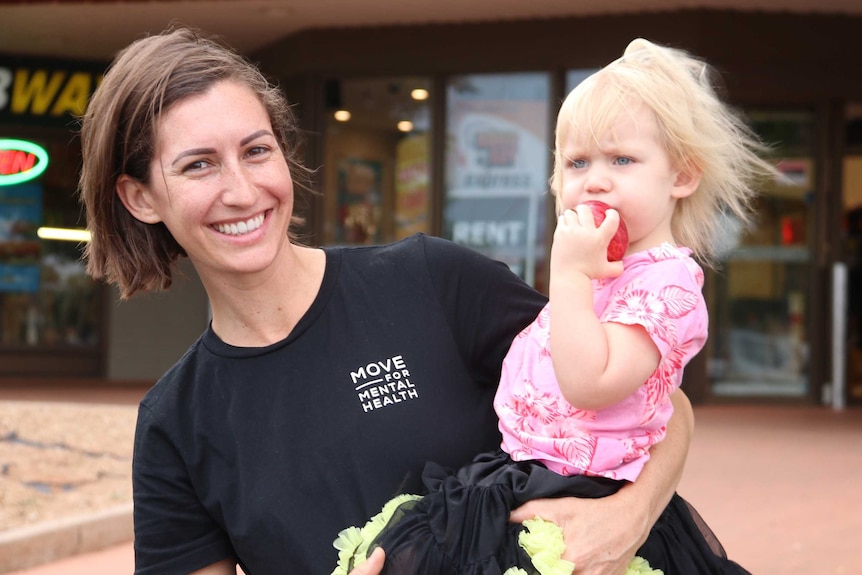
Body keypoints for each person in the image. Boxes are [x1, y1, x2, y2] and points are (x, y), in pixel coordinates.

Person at [77, 26, 695, 575]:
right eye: (198, 166)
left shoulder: (430, 280)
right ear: (141, 198)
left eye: (257, 150)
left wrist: (629, 518)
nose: (242, 190)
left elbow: (659, 406)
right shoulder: (176, 423)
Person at [332, 38, 776, 575]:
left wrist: (567, 275)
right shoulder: (594, 271)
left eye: (623, 159)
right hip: (517, 475)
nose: (595, 179)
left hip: (590, 492)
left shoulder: (669, 282)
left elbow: (592, 383)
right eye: (577, 162)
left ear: (681, 176)